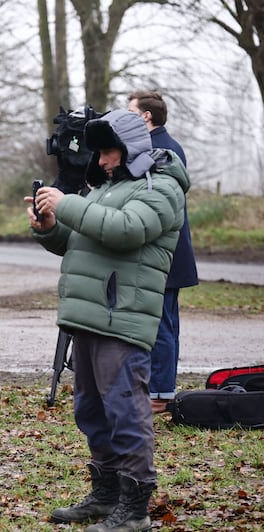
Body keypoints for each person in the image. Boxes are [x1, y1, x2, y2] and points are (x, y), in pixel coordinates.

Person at [28, 109, 189, 531]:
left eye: (109, 151)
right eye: (99, 153)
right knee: (92, 410)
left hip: (122, 317)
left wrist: (69, 204)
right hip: (89, 316)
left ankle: (134, 510)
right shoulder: (107, 189)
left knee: (125, 410)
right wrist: (49, 225)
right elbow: (79, 240)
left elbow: (125, 230)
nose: (101, 161)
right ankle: (106, 495)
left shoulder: (162, 187)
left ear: (132, 147)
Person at [128, 90, 199, 414]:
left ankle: (161, 392)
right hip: (171, 252)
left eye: (131, 112)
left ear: (146, 116)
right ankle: (159, 387)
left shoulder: (161, 149)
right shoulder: (167, 145)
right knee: (164, 321)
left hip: (167, 253)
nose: (127, 117)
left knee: (163, 324)